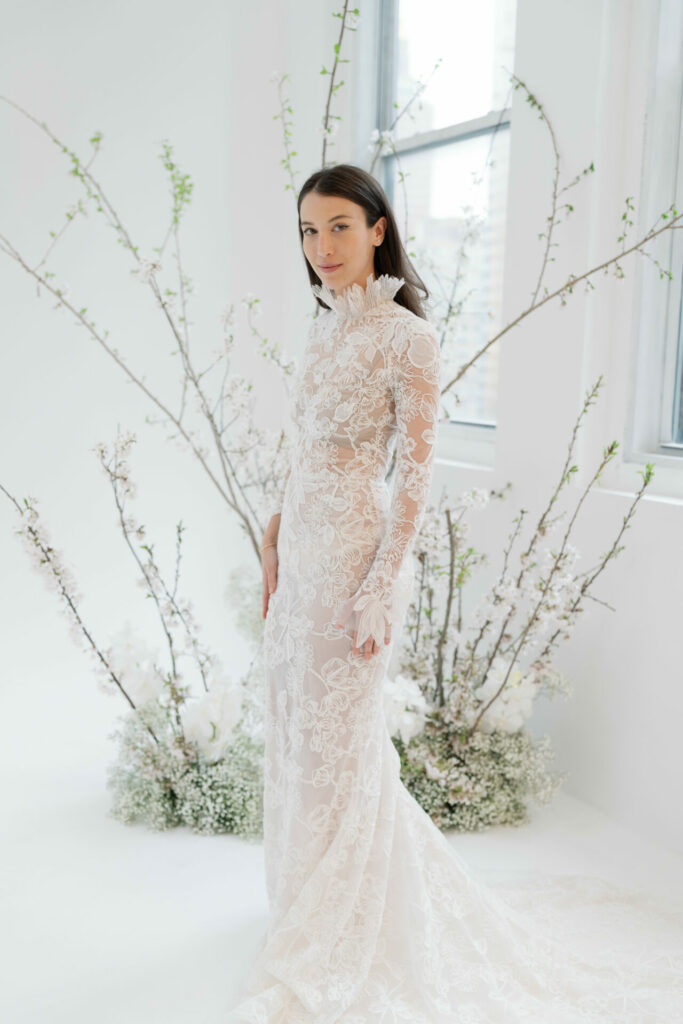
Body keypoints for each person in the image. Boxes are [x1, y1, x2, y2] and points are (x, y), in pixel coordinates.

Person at [227, 164, 683, 1023]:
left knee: (340, 742)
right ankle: (305, 903)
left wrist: (381, 586)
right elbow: (309, 448)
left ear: (376, 228)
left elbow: (415, 477)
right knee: (296, 731)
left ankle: (345, 922)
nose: (319, 247)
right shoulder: (327, 329)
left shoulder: (406, 338)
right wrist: (276, 529)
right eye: (305, 231)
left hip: (356, 559)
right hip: (304, 553)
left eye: (335, 227)